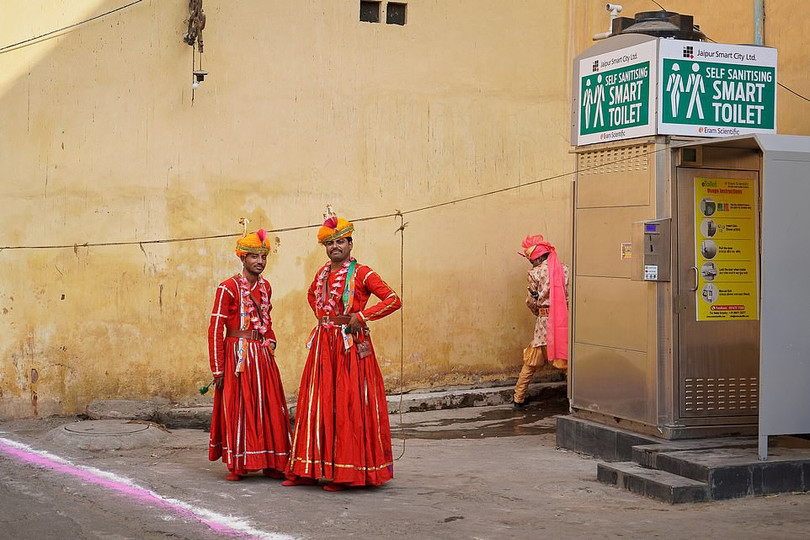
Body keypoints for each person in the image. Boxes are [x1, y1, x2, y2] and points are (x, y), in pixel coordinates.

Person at [284, 207, 401, 491]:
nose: (334, 247)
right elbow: (312, 295)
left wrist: (362, 316)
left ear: (350, 243)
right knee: (317, 403)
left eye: (340, 241)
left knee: (346, 405)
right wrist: (324, 318)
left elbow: (393, 299)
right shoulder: (322, 273)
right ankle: (308, 468)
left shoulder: (363, 273)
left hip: (350, 347)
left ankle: (345, 473)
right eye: (329, 243)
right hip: (324, 344)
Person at [207, 229, 291, 481]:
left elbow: (267, 322)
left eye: (263, 257)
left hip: (263, 355)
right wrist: (218, 369)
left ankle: (272, 461)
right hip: (238, 357)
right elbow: (215, 330)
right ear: (242, 258)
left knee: (270, 407)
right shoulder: (227, 288)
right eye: (254, 257)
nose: (260, 262)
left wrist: (272, 340)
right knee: (240, 408)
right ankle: (239, 465)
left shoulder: (266, 287)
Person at [513, 234, 569, 408]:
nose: (531, 263)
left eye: (532, 260)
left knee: (531, 361)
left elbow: (531, 300)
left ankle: (518, 398)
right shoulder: (565, 270)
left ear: (538, 258)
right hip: (562, 321)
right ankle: (574, 400)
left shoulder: (535, 273)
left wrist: (537, 311)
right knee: (567, 362)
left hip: (544, 322)